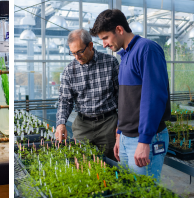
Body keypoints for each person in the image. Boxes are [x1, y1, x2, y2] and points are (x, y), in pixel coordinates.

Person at [90, 9, 170, 180]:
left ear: (119, 29)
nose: (103, 44)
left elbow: (154, 98)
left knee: (143, 191)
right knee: (130, 190)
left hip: (144, 138)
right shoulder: (125, 55)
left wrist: (145, 141)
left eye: (105, 38)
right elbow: (126, 100)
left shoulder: (147, 49)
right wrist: (119, 134)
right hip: (127, 138)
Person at [55, 29, 119, 160]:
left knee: (111, 163)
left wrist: (121, 125)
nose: (77, 57)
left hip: (108, 123)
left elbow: (121, 96)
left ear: (90, 45)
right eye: (73, 53)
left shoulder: (110, 63)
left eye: (80, 51)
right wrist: (61, 124)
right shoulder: (69, 70)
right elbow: (65, 100)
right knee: (81, 162)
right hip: (82, 124)